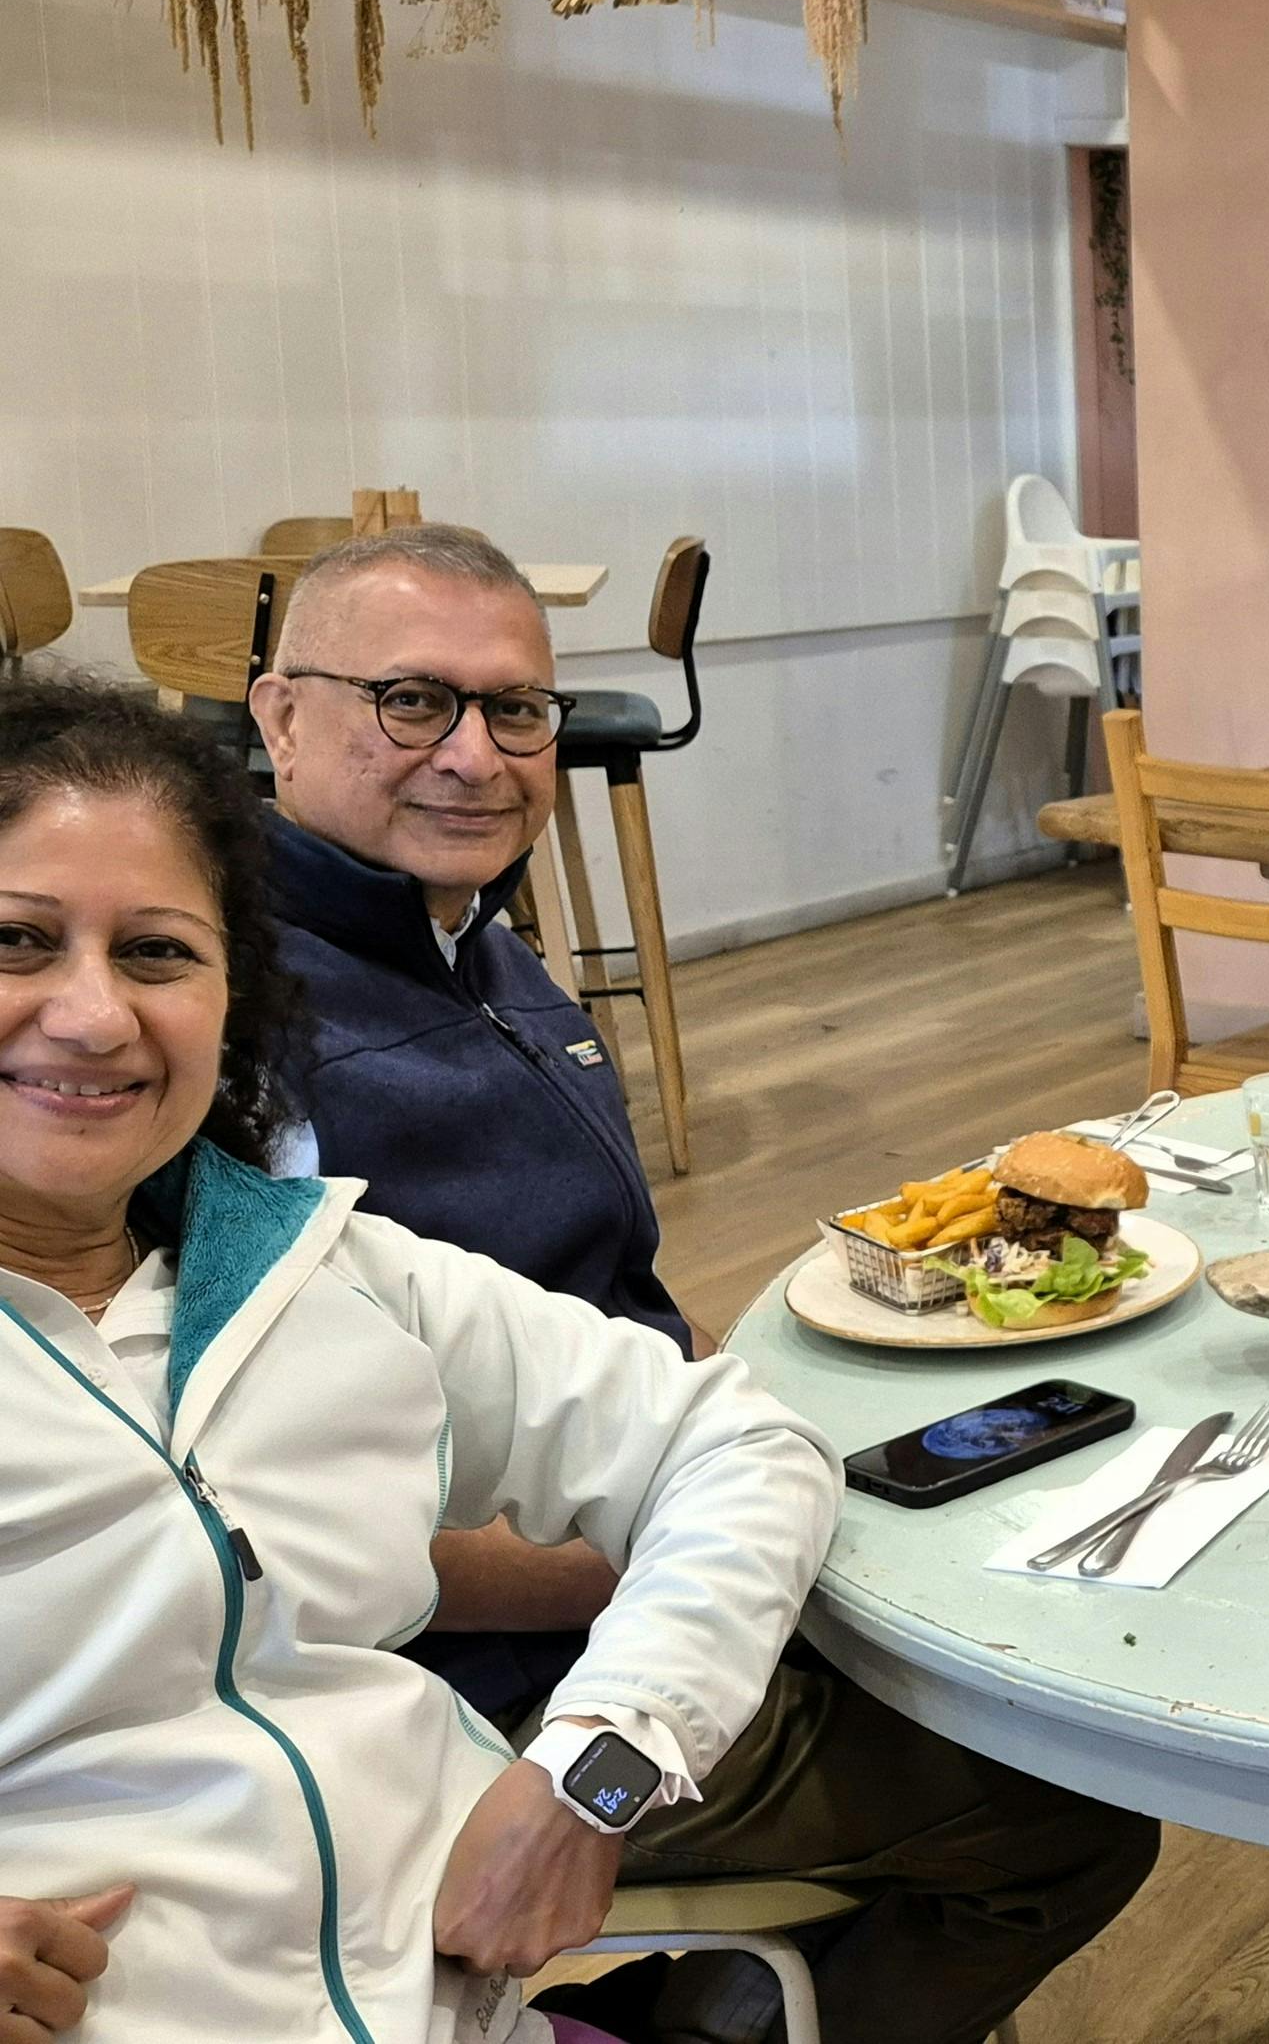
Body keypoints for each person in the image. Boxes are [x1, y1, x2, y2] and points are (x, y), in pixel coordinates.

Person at [246, 528, 1161, 2044]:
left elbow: (632, 1306)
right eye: (412, 701)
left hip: (655, 1545)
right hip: (493, 1689)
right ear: (280, 712)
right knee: (1066, 1802)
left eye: (518, 709)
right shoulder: (241, 1043)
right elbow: (317, 1539)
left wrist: (761, 1454)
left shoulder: (473, 940)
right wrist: (723, 1557)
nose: (476, 754)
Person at [0, 672, 837, 2042]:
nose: (94, 1015)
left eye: (157, 951)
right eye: (18, 938)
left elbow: (739, 1437)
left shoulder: (317, 1265)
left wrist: (597, 1763)